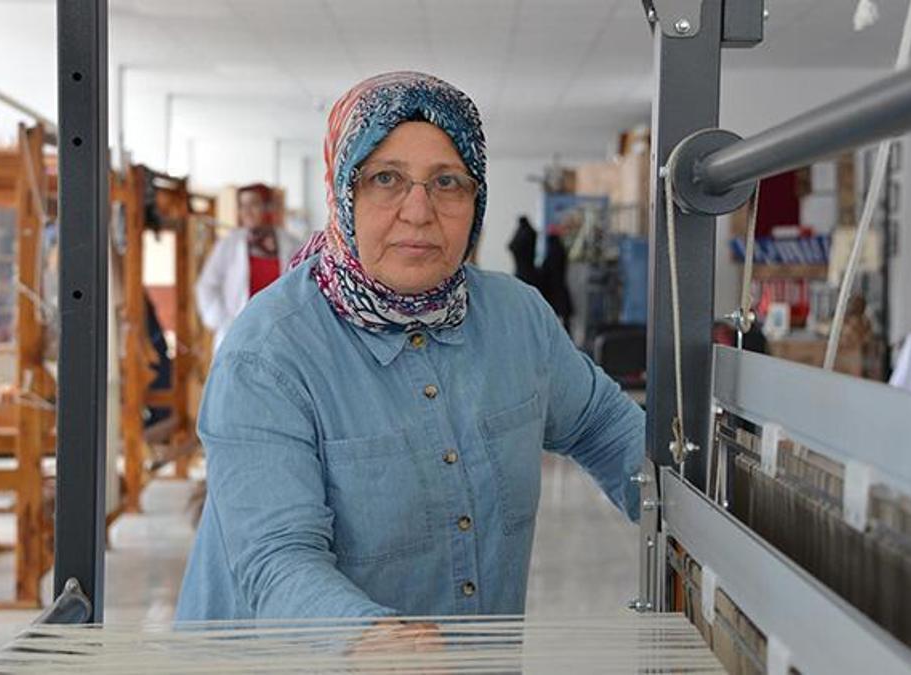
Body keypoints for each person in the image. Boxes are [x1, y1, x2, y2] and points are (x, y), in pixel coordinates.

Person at [177, 72, 645, 628]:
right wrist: (369, 638)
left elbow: (604, 427)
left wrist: (700, 518)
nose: (419, 211)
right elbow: (276, 558)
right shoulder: (269, 354)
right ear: (342, 192)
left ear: (477, 200)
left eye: (448, 182)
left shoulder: (518, 321)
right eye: (385, 179)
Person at [195, 184, 302, 350]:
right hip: (238, 332)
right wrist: (223, 320)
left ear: (268, 208)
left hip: (280, 335)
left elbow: (301, 289)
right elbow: (206, 285)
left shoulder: (293, 245)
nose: (247, 211)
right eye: (242, 206)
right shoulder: (229, 244)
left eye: (254, 204)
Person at [507, 215, 538, 286]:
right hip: (522, 273)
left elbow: (511, 246)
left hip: (526, 274)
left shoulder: (528, 233)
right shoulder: (523, 232)